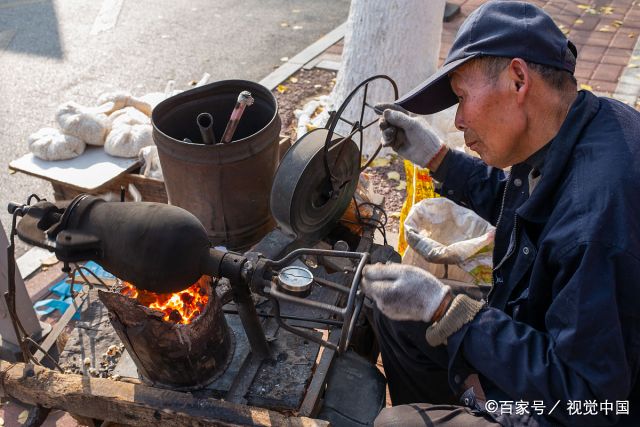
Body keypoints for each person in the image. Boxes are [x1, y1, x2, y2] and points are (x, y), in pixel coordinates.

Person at [363, 1, 640, 426]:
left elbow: (591, 401)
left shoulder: (594, 223)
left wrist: (451, 315)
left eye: (461, 97)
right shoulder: (583, 123)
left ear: (517, 79)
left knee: (393, 423)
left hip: (589, 409)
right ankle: (464, 406)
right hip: (558, 352)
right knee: (396, 313)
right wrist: (439, 158)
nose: (457, 120)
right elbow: (530, 208)